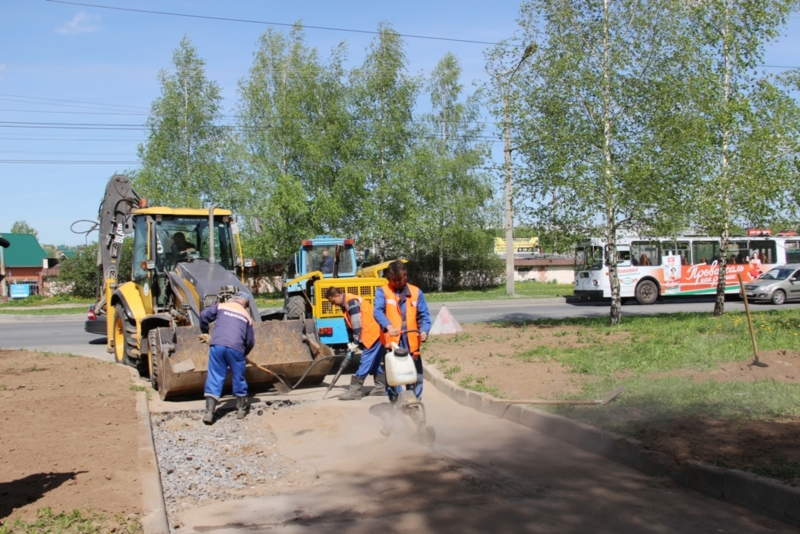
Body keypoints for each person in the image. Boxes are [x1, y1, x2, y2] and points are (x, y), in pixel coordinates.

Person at [374, 260, 432, 401]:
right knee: (394, 377)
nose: (397, 282)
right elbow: (378, 311)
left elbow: (424, 316)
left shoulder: (416, 292)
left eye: (399, 279)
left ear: (405, 275)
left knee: (415, 375)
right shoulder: (383, 292)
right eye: (393, 279)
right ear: (389, 276)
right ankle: (397, 402)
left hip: (411, 342)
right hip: (392, 343)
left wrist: (424, 330)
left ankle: (415, 402)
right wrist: (388, 326)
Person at [199, 292, 255, 425]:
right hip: (236, 349)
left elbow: (203, 315)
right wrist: (243, 353)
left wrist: (205, 331)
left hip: (217, 345)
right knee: (238, 376)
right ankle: (241, 410)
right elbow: (251, 341)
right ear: (245, 303)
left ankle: (209, 412)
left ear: (234, 299)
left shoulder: (221, 306)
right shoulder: (247, 316)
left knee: (215, 375)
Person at [326, 287, 386, 400]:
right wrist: (350, 343)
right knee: (375, 361)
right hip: (373, 333)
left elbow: (357, 322)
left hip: (372, 333)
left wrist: (356, 341)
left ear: (338, 295)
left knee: (366, 360)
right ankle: (381, 387)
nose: (333, 304)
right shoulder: (344, 305)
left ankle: (355, 391)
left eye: (333, 301)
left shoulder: (351, 301)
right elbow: (350, 326)